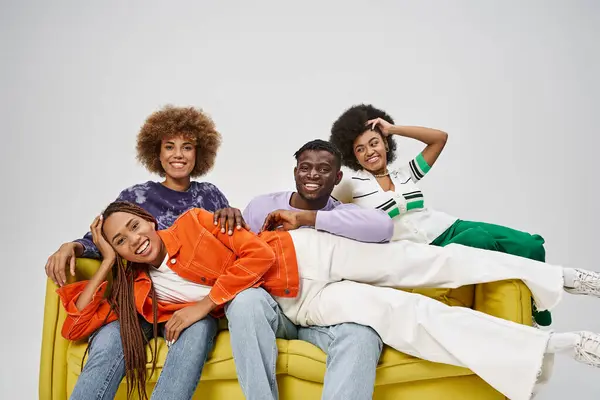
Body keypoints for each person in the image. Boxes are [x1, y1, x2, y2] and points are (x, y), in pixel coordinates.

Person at [59, 199, 600, 400]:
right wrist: (103, 259)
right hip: (299, 306)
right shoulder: (141, 294)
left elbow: (255, 256)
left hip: (307, 256)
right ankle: (558, 346)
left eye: (135, 226)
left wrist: (206, 303)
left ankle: (561, 277)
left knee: (424, 263)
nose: (135, 239)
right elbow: (78, 323)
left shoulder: (197, 223)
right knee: (405, 317)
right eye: (122, 240)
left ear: (149, 220)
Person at [45, 105, 246, 399]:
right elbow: (101, 237)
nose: (178, 154)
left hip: (192, 304)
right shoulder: (137, 196)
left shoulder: (210, 195)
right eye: (169, 147)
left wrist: (231, 214)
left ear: (198, 153)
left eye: (187, 147)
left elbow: (231, 246)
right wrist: (72, 246)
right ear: (157, 152)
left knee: (198, 332)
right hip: (141, 304)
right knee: (109, 345)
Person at [329, 103, 552, 326]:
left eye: (374, 142)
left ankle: (539, 305)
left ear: (385, 144)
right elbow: (323, 204)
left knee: (529, 245)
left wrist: (392, 129)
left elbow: (439, 138)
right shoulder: (352, 186)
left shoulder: (405, 174)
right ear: (353, 156)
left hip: (450, 227)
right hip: (426, 251)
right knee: (478, 239)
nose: (369, 152)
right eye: (360, 149)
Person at [230, 139, 393, 399]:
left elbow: (384, 228)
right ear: (296, 172)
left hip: (320, 316)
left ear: (337, 177)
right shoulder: (262, 206)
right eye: (305, 168)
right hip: (274, 311)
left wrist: (308, 219)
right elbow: (235, 256)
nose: (313, 174)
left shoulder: (342, 215)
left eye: (324, 169)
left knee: (363, 335)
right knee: (244, 301)